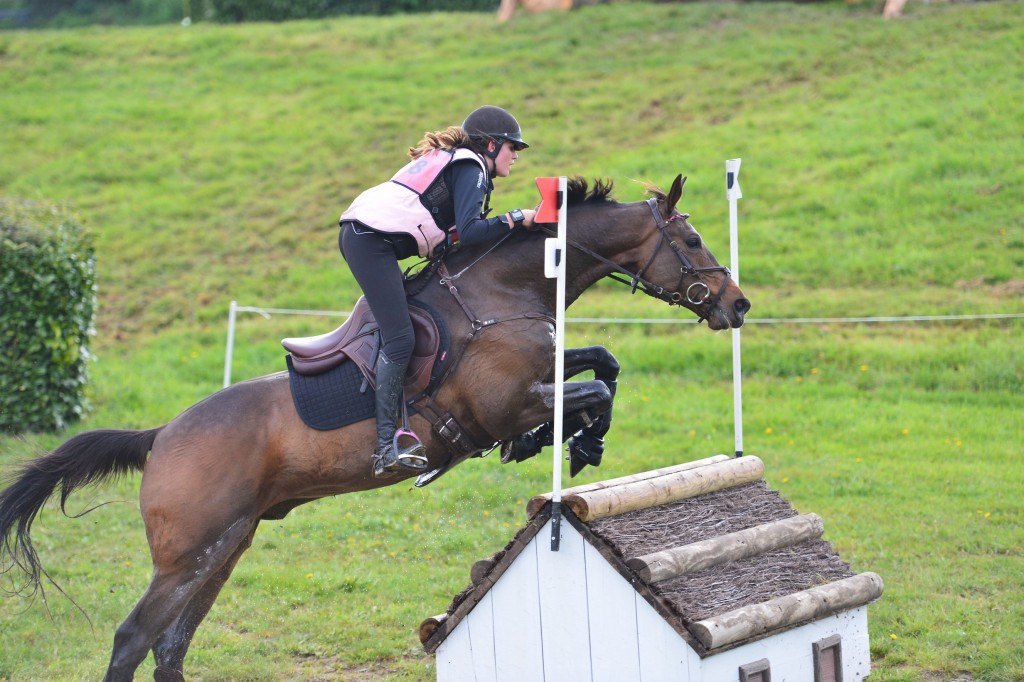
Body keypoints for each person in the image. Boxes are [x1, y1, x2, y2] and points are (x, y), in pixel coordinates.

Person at [338, 105, 537, 478]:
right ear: (491, 145)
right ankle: (387, 446)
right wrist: (517, 217)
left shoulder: (459, 162)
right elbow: (473, 231)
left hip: (370, 237)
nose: (516, 156)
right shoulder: (471, 166)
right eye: (513, 148)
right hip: (371, 242)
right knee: (400, 337)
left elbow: (460, 238)